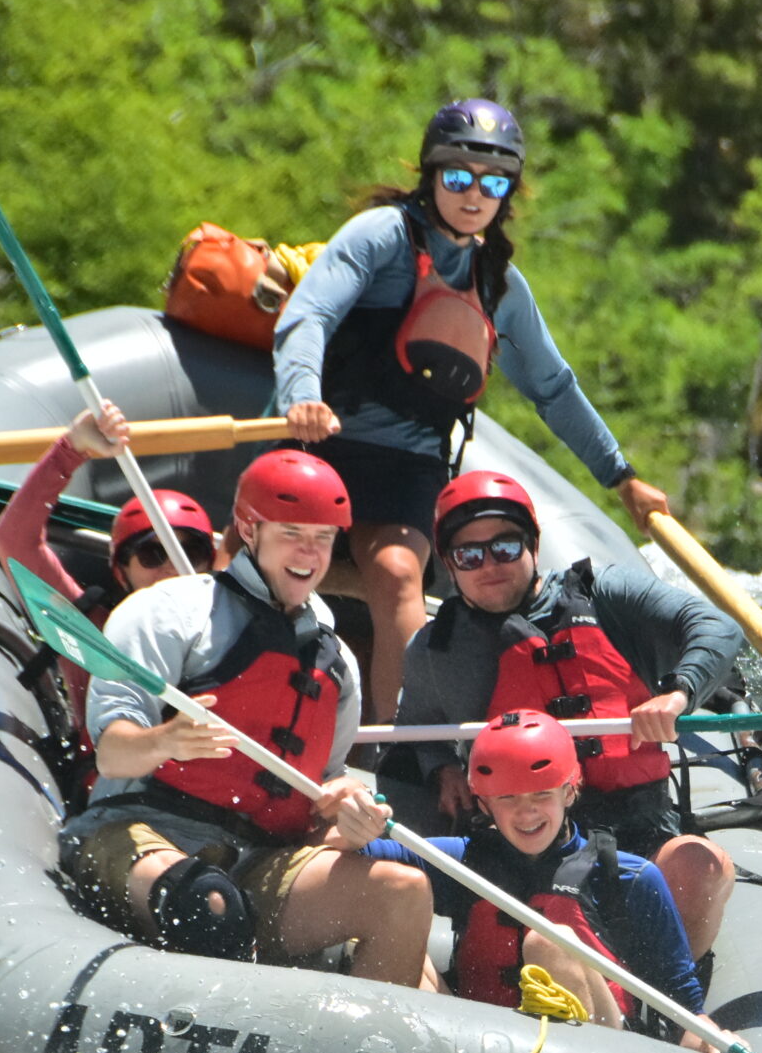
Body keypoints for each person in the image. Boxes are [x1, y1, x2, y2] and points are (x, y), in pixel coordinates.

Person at [272, 97, 673, 722]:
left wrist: (619, 476)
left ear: (507, 193)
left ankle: (401, 755)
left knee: (401, 574)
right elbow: (310, 315)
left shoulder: (498, 283)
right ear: (432, 175)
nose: (472, 194)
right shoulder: (382, 237)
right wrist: (301, 395)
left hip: (409, 462)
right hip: (322, 441)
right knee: (265, 564)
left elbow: (553, 388)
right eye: (458, 177)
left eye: (492, 183)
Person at [63, 447, 434, 989]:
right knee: (209, 903)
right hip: (137, 830)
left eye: (324, 537)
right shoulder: (170, 612)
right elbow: (114, 749)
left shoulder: (338, 666)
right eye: (292, 532)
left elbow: (322, 790)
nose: (309, 551)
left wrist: (348, 815)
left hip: (256, 858)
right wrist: (166, 739)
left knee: (402, 894)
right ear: (248, 527)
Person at [394, 469, 740, 961]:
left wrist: (678, 693)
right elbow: (417, 732)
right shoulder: (436, 650)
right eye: (469, 555)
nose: (489, 564)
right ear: (450, 565)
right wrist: (441, 768)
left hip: (638, 820)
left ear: (533, 544)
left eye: (506, 547)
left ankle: (668, 1005)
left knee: (703, 867)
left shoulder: (608, 595)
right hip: (522, 831)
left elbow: (717, 627)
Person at [363, 710, 717, 1048]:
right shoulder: (460, 859)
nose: (526, 811)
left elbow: (684, 1005)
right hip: (473, 1044)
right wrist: (355, 815)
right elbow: (359, 852)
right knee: (396, 913)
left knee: (550, 941)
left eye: (541, 794)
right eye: (507, 798)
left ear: (569, 791)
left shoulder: (630, 877)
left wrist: (703, 1036)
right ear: (484, 804)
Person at [0, 400, 222, 732]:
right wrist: (70, 450)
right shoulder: (89, 631)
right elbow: (14, 541)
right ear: (121, 572)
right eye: (152, 555)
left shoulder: (233, 627)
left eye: (190, 553)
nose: (173, 568)